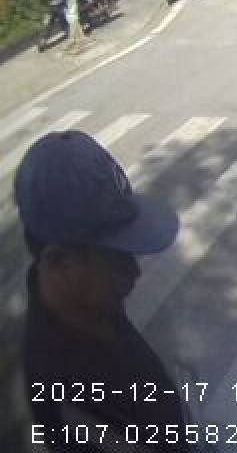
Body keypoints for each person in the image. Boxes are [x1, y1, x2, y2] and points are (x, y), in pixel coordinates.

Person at [17, 130, 191, 452]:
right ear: (59, 262)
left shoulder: (88, 307)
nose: (134, 271)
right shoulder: (72, 403)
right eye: (114, 258)